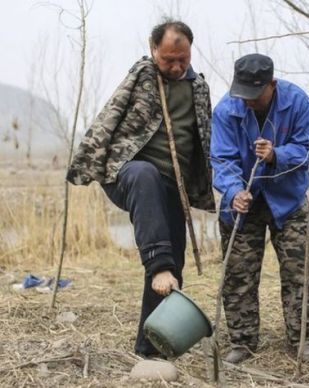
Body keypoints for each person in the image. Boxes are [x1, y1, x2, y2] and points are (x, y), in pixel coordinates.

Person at [66, 20, 214, 357]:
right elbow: (109, 116)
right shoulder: (144, 75)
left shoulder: (200, 88)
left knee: (174, 261)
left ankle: (151, 348)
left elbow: (204, 139)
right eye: (168, 60)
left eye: (183, 59)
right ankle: (158, 263)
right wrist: (87, 163)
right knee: (146, 175)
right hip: (128, 175)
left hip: (172, 185)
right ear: (153, 50)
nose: (176, 66)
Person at [210, 53, 309, 364]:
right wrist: (233, 192)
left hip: (287, 198)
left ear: (271, 84)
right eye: (242, 94)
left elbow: (308, 148)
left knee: (296, 271)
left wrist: (276, 155)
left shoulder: (297, 102)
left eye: (254, 96)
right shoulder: (225, 110)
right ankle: (242, 341)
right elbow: (221, 159)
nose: (248, 102)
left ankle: (303, 338)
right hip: (243, 204)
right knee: (238, 273)